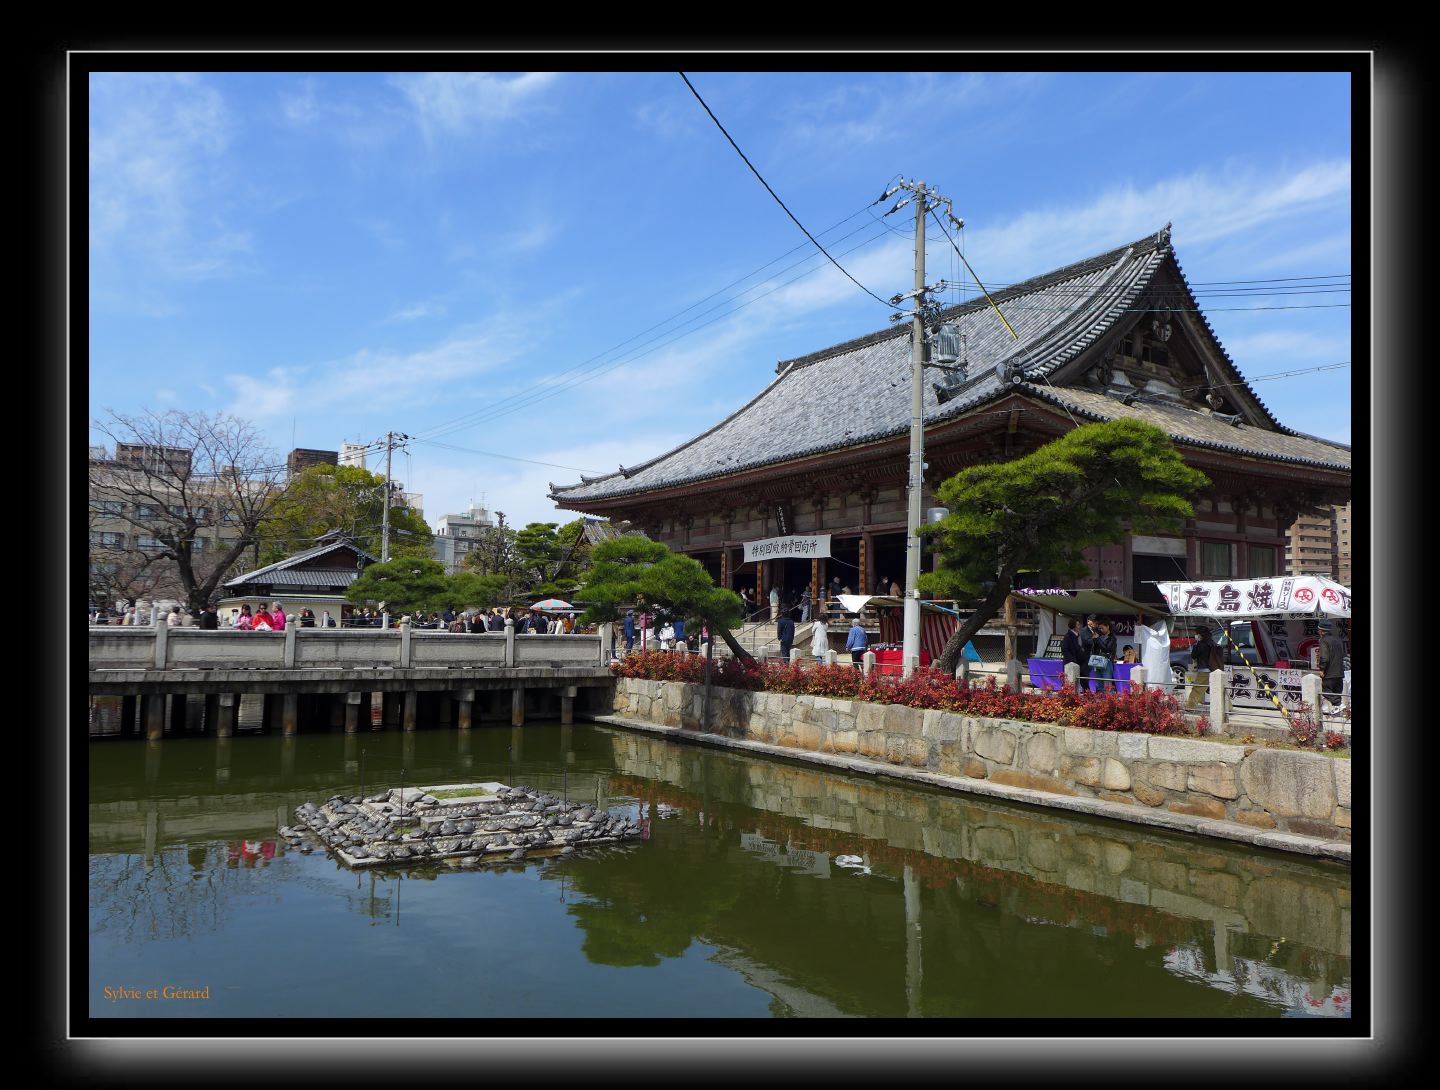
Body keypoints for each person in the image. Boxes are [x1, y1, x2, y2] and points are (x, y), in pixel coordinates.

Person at [1186, 626, 1222, 708]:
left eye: (1196, 634)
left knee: (1197, 689)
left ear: (1200, 634)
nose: (1195, 635)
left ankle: (1190, 707)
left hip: (1204, 669)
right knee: (1218, 689)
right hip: (1214, 669)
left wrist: (1196, 644)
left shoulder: (1201, 644)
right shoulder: (1212, 642)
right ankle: (1227, 707)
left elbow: (1193, 655)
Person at [1317, 621, 1347, 709]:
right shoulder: (1337, 640)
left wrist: (1322, 669)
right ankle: (1338, 709)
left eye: (1318, 630)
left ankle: (1339, 705)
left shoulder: (1324, 641)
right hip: (1339, 672)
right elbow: (1343, 654)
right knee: (1337, 693)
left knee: (1325, 691)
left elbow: (1324, 657)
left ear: (1321, 631)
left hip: (1330, 673)